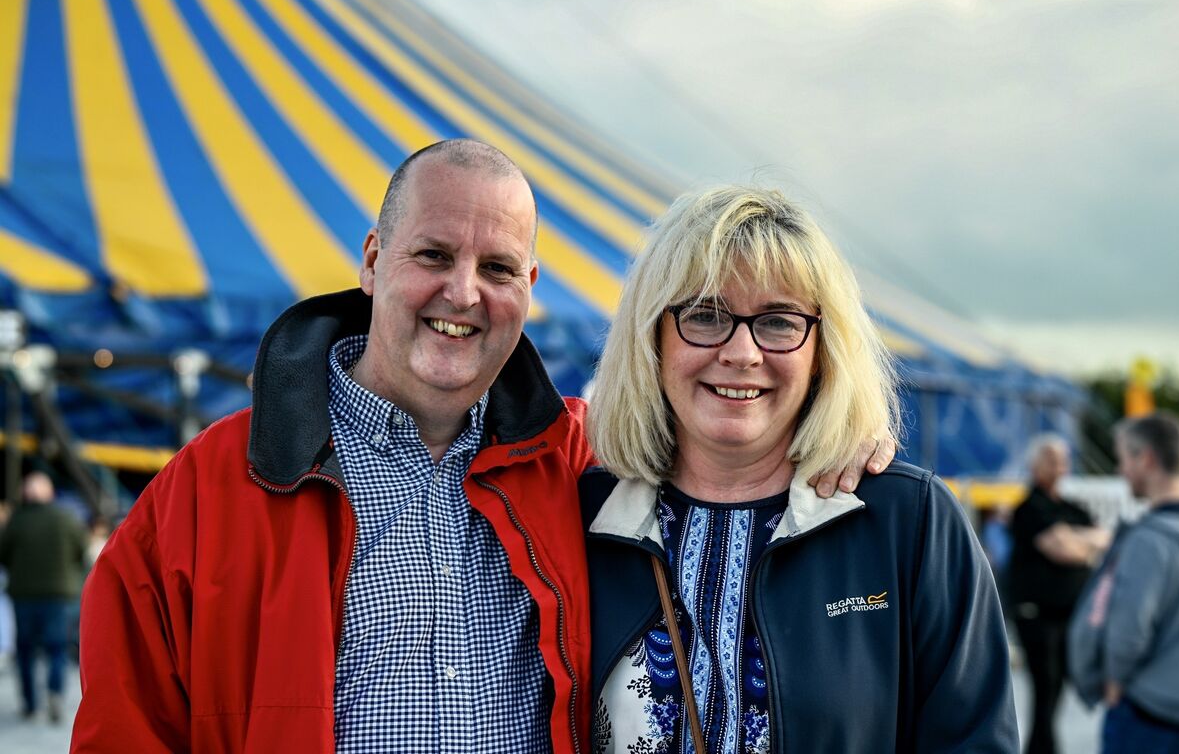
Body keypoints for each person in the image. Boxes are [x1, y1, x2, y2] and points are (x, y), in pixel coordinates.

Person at [72, 140, 890, 753]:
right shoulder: (210, 490)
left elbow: (732, 423)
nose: (463, 293)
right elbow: (122, 727)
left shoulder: (581, 463)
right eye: (433, 255)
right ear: (371, 259)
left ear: (529, 289)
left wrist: (841, 430)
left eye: (498, 267)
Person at [580, 186, 1016, 752]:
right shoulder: (581, 517)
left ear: (822, 350)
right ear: (651, 338)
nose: (741, 353)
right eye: (705, 315)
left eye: (779, 322)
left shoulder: (907, 523)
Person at [1070, 412, 1179, 752]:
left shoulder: (1148, 540)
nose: (1120, 469)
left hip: (1150, 716)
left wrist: (1114, 681)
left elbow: (1129, 629)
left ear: (1146, 459)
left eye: (1124, 458)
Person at [1009, 434, 1111, 754]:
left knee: (1059, 690)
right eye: (1052, 459)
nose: (1060, 466)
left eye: (1063, 459)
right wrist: (1085, 544)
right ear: (1035, 465)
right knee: (1045, 687)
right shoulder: (1028, 508)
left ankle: (1043, 747)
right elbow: (1061, 549)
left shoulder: (1072, 508)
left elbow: (1106, 538)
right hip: (1036, 614)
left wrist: (1075, 539)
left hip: (1070, 615)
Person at [0, 470, 89, 723]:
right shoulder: (65, 518)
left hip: (24, 595)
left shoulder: (17, 521)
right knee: (57, 647)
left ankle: (30, 704)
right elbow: (81, 551)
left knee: (25, 650)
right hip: (58, 595)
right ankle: (55, 692)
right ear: (49, 493)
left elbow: (2, 554)